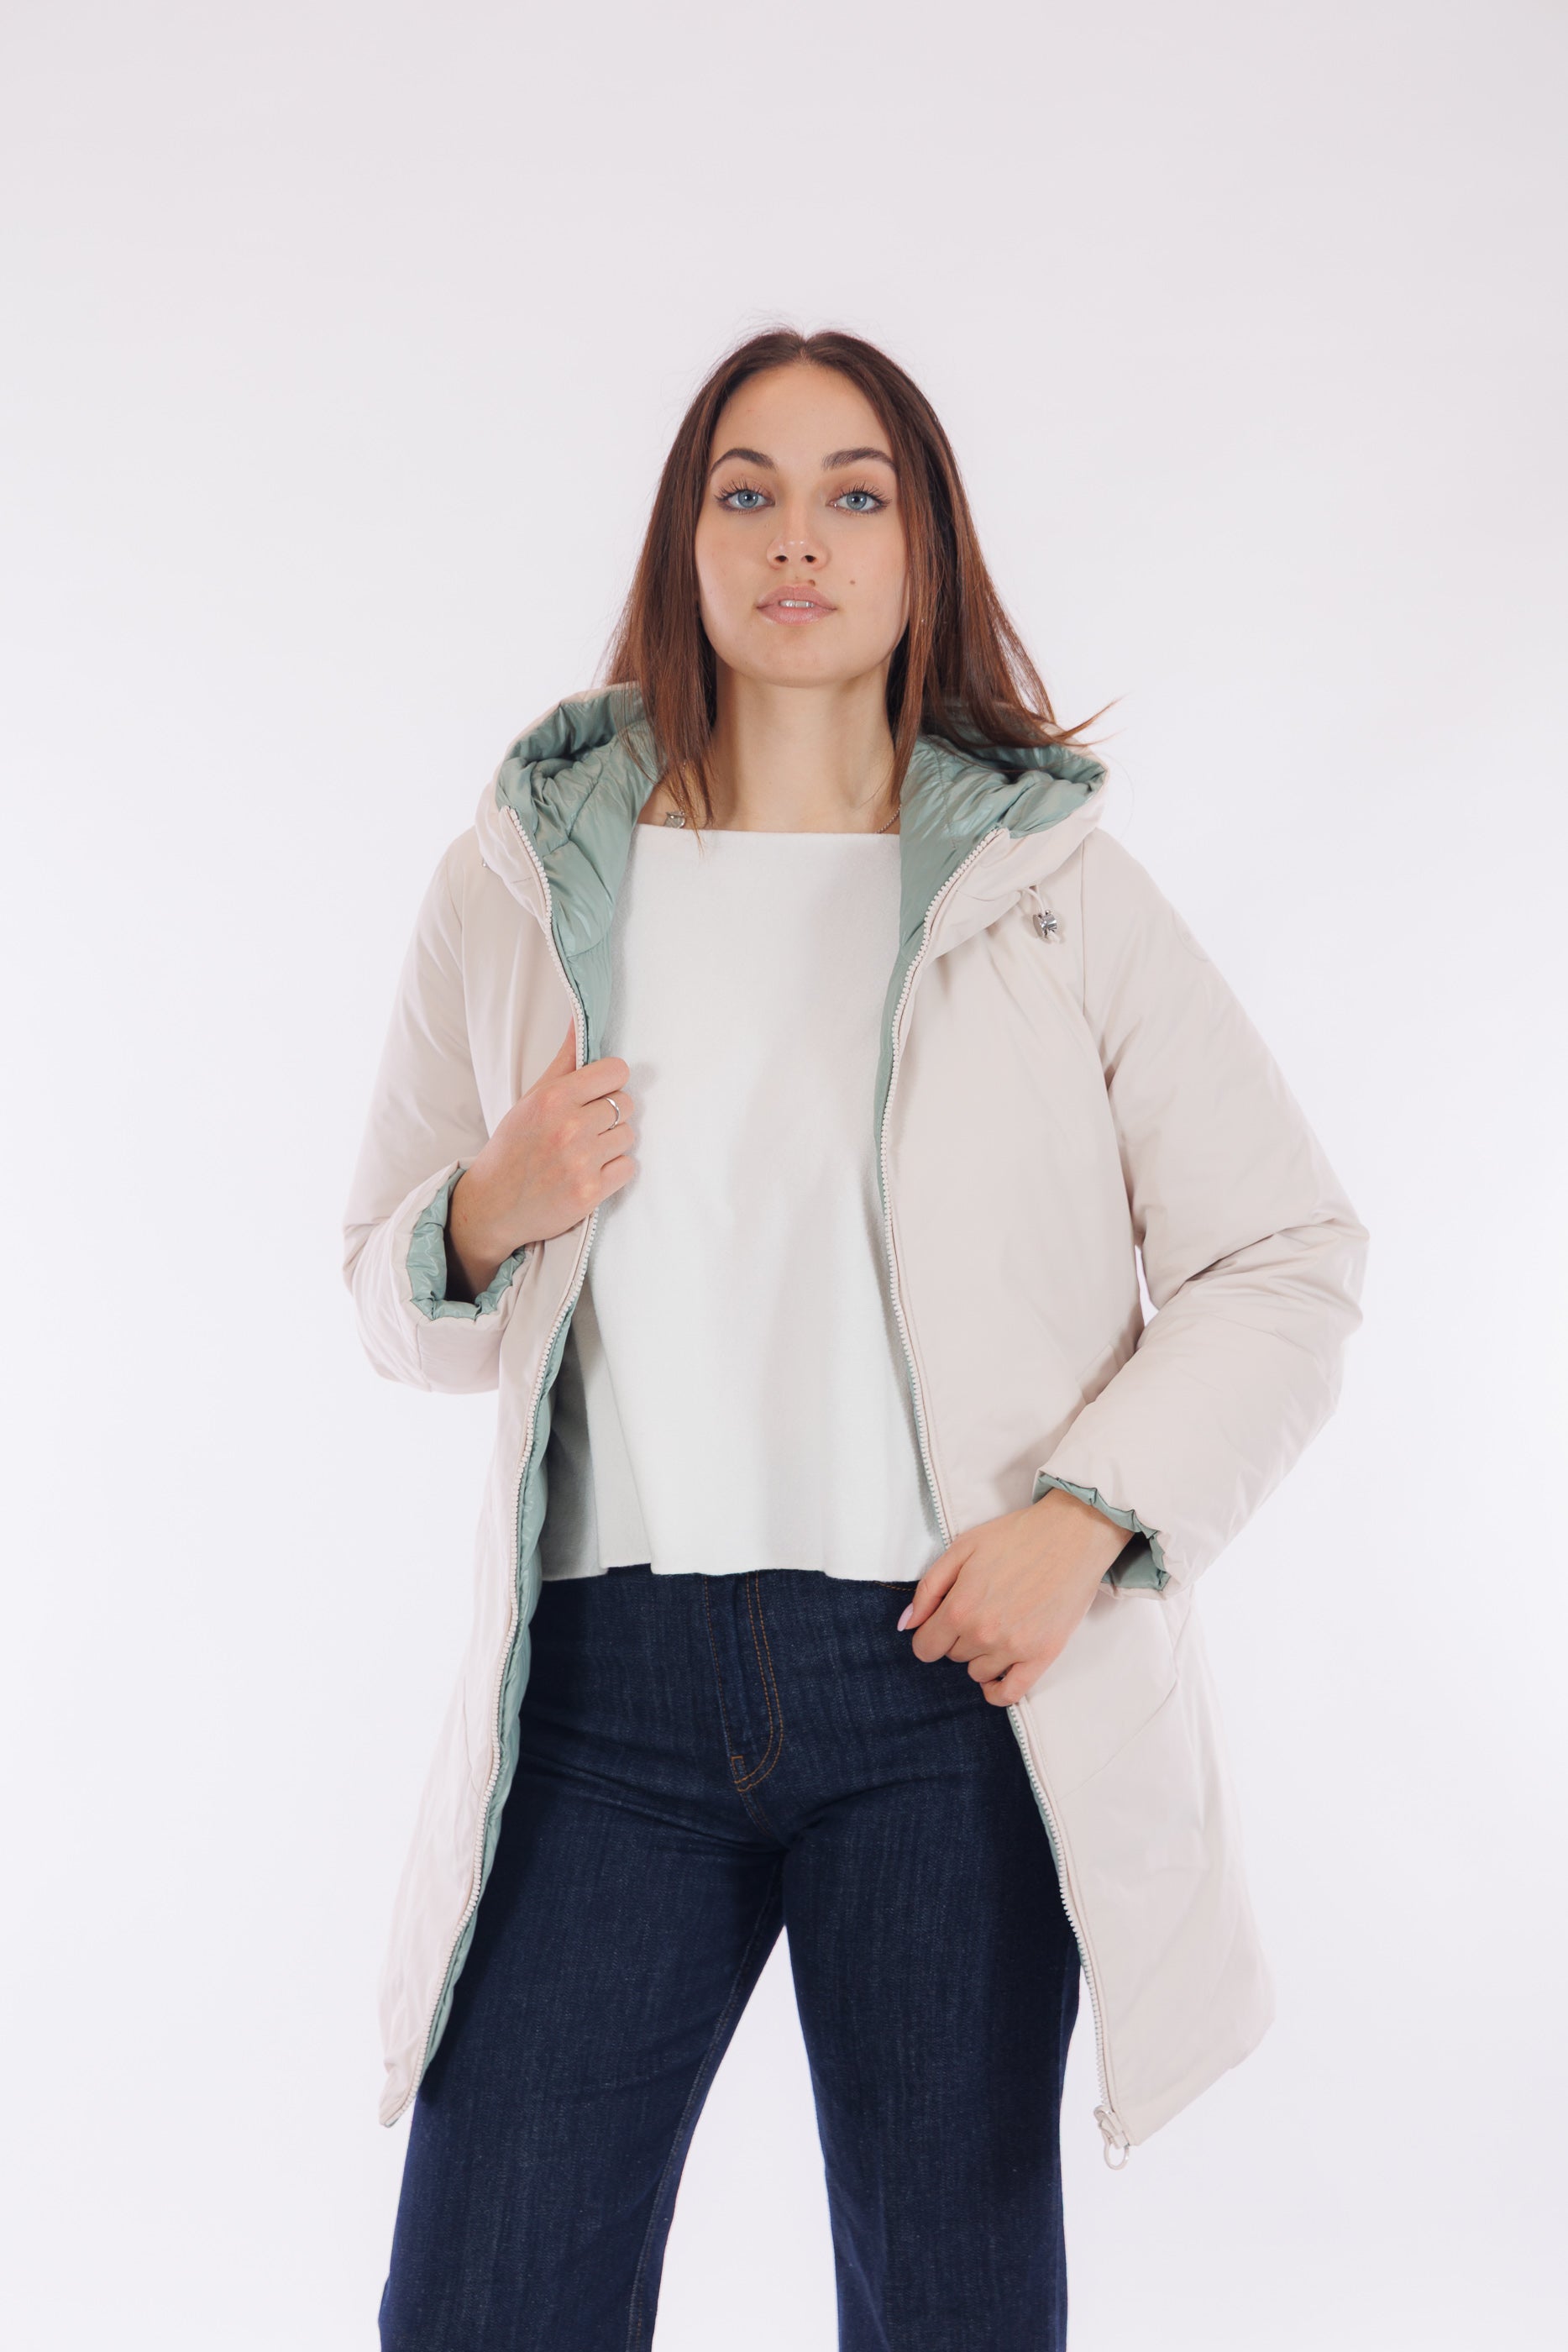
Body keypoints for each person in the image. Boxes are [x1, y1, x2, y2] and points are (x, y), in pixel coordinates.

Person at [343, 327, 1369, 2352]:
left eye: (851, 493)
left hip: (943, 1686)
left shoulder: (1052, 894)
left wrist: (1086, 1518)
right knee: (485, 2296)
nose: (793, 537)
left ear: (923, 548)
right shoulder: (519, 881)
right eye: (746, 490)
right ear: (686, 539)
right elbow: (394, 1297)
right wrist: (485, 1205)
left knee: (953, 2309)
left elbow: (1285, 1251)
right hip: (605, 1694)